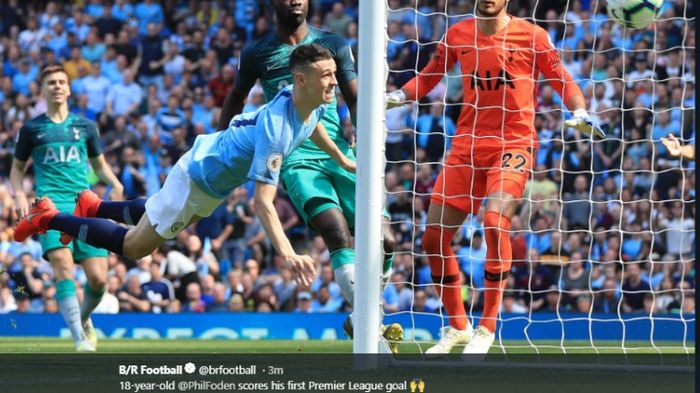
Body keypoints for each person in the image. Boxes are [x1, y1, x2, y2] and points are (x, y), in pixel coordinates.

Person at [14, 44, 354, 290]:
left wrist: (341, 159)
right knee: (136, 247)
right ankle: (48, 217)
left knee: (155, 214)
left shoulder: (313, 102)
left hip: (215, 181)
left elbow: (315, 126)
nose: (333, 82)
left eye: (334, 75)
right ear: (300, 79)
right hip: (197, 177)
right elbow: (261, 203)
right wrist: (289, 254)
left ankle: (95, 206)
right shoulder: (276, 129)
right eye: (326, 76)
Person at [386, 0, 603, 355]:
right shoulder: (458, 33)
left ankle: (487, 327)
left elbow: (562, 78)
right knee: (432, 239)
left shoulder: (531, 35)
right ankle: (458, 326)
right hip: (467, 145)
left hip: (514, 142)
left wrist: (579, 109)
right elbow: (429, 76)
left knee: (493, 220)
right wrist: (396, 96)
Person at [217, 0, 402, 351]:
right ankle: (372, 333)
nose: (296, 1)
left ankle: (363, 318)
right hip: (297, 158)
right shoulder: (256, 52)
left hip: (341, 154)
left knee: (387, 241)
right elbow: (236, 99)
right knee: (337, 233)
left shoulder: (332, 45)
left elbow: (355, 97)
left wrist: (365, 137)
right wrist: (217, 146)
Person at [10, 64, 124, 352]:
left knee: (99, 279)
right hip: (49, 206)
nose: (57, 86)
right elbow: (16, 170)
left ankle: (84, 318)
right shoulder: (31, 129)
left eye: (62, 81)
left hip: (84, 204)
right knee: (63, 267)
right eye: (51, 82)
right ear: (43, 89)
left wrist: (115, 183)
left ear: (69, 89)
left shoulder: (86, 127)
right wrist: (20, 196)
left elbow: (99, 165)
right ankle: (79, 339)